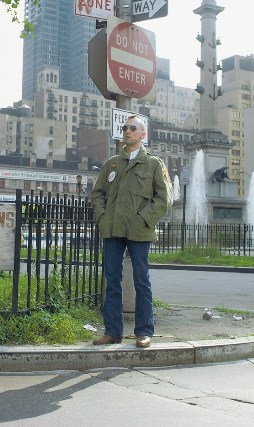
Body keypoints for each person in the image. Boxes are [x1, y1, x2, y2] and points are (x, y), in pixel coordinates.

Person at [90, 115, 173, 348]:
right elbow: (98, 194)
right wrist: (104, 217)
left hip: (140, 231)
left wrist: (143, 219)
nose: (127, 131)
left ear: (142, 134)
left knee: (141, 280)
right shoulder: (112, 164)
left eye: (133, 128)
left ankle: (144, 331)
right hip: (113, 229)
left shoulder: (154, 164)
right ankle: (112, 332)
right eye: (125, 127)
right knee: (112, 281)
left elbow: (164, 199)